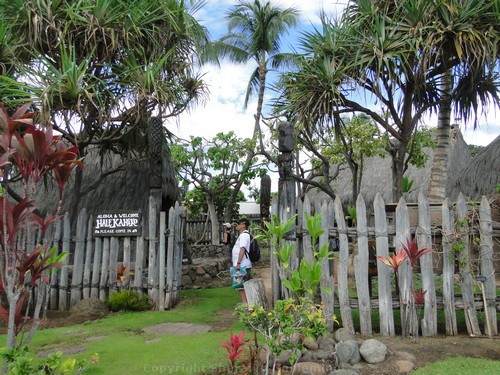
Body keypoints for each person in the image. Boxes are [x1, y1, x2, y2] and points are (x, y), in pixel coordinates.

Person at [232, 218, 252, 304]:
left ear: (243, 225)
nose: (237, 225)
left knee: (240, 285)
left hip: (242, 264)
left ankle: (245, 303)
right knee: (241, 285)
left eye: (238, 224)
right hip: (243, 264)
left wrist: (238, 263)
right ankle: (246, 303)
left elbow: (242, 249)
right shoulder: (243, 235)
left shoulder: (244, 235)